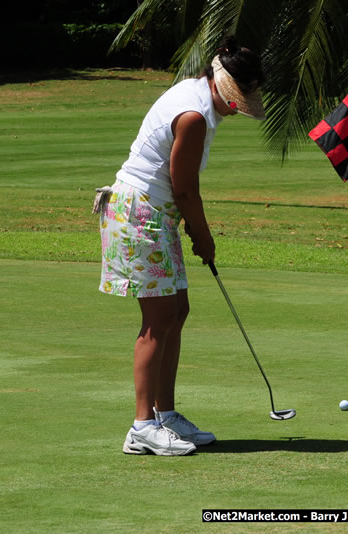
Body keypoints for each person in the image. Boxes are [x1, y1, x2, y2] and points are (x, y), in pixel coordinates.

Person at [97, 36, 266, 455]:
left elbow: (181, 191)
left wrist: (191, 228)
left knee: (178, 309)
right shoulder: (193, 115)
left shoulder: (197, 95)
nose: (237, 108)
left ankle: (165, 415)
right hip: (139, 213)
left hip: (153, 214)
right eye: (238, 99)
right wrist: (204, 237)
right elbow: (185, 189)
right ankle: (141, 426)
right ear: (224, 87)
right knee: (159, 319)